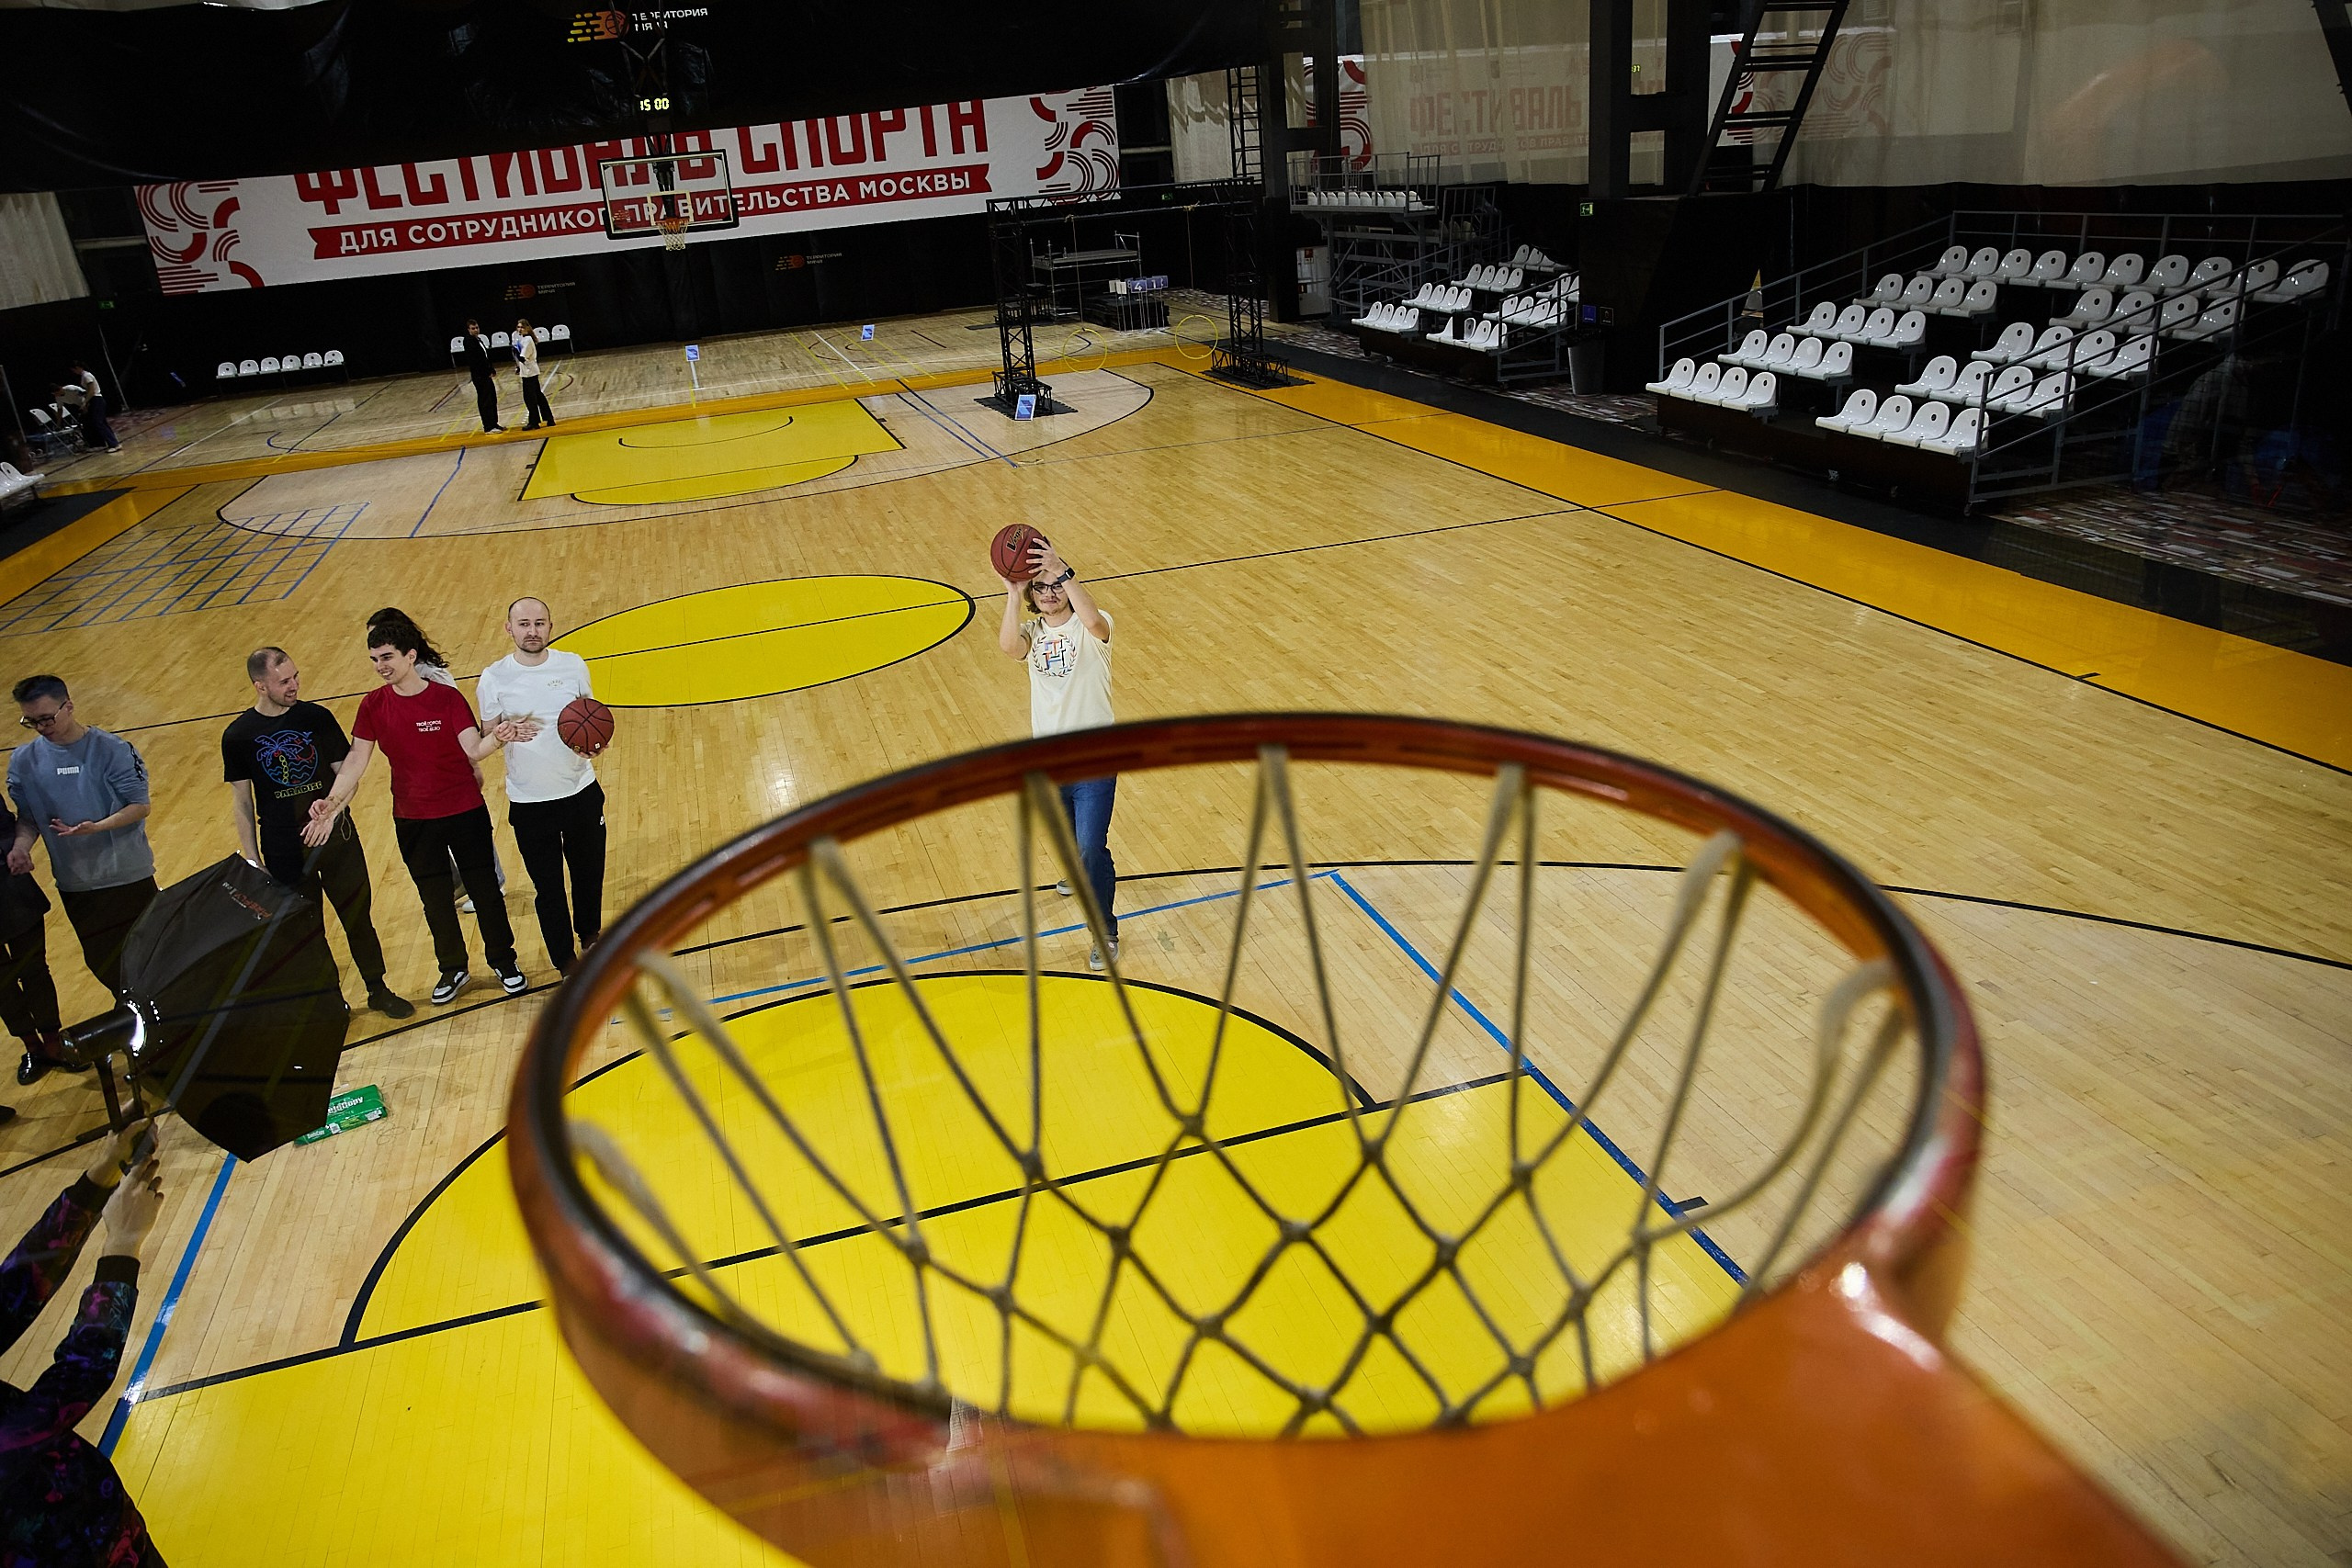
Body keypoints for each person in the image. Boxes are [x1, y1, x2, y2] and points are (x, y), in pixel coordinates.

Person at [303, 610, 528, 1005]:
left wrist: (499, 738)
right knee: (435, 898)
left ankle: (504, 962)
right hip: (412, 818)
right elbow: (356, 760)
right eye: (374, 660)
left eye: (387, 657)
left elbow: (473, 747)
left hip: (463, 811)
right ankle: (453, 968)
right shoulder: (373, 706)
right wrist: (333, 801)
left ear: (410, 656)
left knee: (485, 892)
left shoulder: (446, 698)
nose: (380, 667)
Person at [0, 1118, 167, 1566]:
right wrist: (123, 1246)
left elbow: (15, 1288)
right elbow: (77, 1377)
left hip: (112, 1530)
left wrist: (101, 1173)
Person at [221, 648, 414, 1019]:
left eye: (295, 676)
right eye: (284, 681)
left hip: (337, 837)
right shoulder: (238, 736)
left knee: (358, 917)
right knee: (307, 930)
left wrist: (331, 810)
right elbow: (242, 803)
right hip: (284, 848)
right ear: (260, 686)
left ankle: (378, 989)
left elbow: (349, 776)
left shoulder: (317, 718)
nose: (294, 685)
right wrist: (251, 857)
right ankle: (329, 999)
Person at [6, 676, 158, 1077]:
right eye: (31, 722)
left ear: (69, 706)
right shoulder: (23, 762)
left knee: (148, 965)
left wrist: (97, 827)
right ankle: (147, 1040)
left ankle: (166, 1039)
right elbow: (28, 819)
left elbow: (140, 806)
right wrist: (21, 847)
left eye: (46, 718)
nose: (42, 727)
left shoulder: (112, 750)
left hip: (127, 877)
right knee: (105, 966)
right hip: (76, 885)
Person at [995, 536, 1120, 970]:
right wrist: (1013, 593)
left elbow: (1093, 619)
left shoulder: (1094, 626)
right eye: (1041, 587)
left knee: (1090, 845)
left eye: (1056, 585)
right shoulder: (1030, 633)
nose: (1049, 593)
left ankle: (1104, 931)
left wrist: (1063, 569)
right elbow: (1009, 647)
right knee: (1072, 844)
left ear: (1068, 584)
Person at [477, 597, 605, 975]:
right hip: (531, 802)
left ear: (550, 626)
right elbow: (487, 735)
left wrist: (596, 741)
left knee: (588, 875)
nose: (532, 631)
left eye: (539, 623)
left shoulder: (573, 665)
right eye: (524, 624)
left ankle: (592, 938)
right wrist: (503, 734)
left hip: (580, 790)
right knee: (548, 889)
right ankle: (565, 963)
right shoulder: (494, 677)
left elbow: (591, 715)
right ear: (509, 629)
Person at [0, 795, 65, 1092]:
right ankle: (32, 1047)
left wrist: (14, 852)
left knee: (34, 968)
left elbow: (4, 826)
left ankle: (53, 1042)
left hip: (9, 888)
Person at [460, 319, 503, 434]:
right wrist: (486, 371)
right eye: (473, 328)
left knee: (492, 399)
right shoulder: (469, 341)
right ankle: (488, 426)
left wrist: (491, 368)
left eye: (477, 328)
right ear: (469, 329)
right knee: (485, 400)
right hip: (480, 375)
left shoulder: (478, 340)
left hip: (486, 374)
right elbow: (476, 360)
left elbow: (485, 356)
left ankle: (494, 423)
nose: (476, 330)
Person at [66, 363, 119, 453]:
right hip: (94, 400)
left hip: (96, 399)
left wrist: (85, 402)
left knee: (99, 423)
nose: (74, 372)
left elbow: (91, 391)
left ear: (78, 367)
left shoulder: (87, 376)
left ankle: (114, 444)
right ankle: (113, 443)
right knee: (101, 423)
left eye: (74, 370)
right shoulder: (84, 376)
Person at [513, 318, 555, 430]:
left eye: (522, 327)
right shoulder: (521, 339)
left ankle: (534, 421)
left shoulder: (527, 340)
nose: (520, 329)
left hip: (529, 372)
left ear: (527, 328)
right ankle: (549, 418)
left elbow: (523, 357)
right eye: (518, 327)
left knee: (530, 398)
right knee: (538, 395)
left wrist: (516, 353)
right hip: (526, 371)